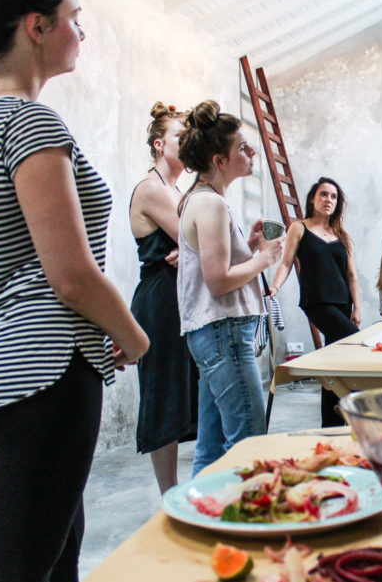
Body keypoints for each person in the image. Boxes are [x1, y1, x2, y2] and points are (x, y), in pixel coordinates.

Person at [0, 0, 150, 582]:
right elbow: (70, 274)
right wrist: (133, 333)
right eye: (74, 18)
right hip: (46, 377)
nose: (80, 32)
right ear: (36, 25)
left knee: (51, 566)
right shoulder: (28, 123)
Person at [176, 100, 283, 476]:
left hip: (213, 333)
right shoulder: (210, 204)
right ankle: (242, 529)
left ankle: (200, 526)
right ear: (220, 160)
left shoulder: (204, 200)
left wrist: (250, 248)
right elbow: (218, 281)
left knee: (211, 448)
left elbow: (217, 268)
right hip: (223, 333)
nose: (251, 152)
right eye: (242, 147)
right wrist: (264, 259)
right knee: (248, 445)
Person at [129, 102, 199, 494]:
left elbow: (201, 244)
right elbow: (201, 240)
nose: (187, 143)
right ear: (159, 144)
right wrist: (190, 248)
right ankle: (169, 494)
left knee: (188, 392)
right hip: (160, 302)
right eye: (179, 137)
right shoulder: (152, 189)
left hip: (183, 297)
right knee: (164, 396)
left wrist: (190, 252)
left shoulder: (178, 191)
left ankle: (184, 489)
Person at [269, 177, 361, 427]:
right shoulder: (299, 228)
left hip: (343, 303)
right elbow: (287, 262)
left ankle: (330, 425)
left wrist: (357, 307)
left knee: (334, 361)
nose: (328, 200)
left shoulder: (342, 234)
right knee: (355, 343)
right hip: (317, 301)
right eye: (323, 194)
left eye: (333, 196)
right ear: (312, 198)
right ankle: (361, 412)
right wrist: (275, 286)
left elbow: (351, 275)